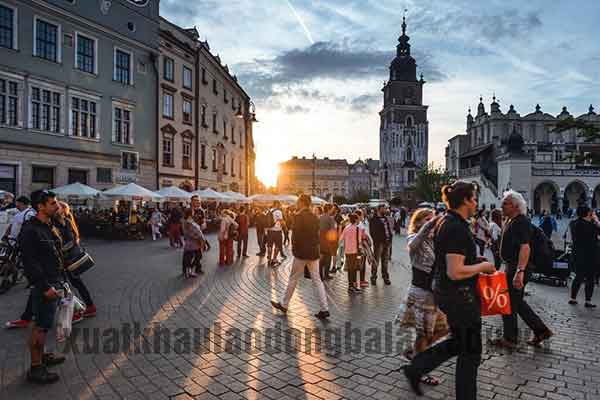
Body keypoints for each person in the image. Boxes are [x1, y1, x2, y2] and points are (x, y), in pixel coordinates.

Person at [403, 181, 496, 400]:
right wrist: (483, 266)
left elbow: (450, 260)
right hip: (460, 297)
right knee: (470, 353)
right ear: (465, 200)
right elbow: (455, 271)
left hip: (449, 294)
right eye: (473, 198)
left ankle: (416, 368)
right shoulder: (456, 227)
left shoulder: (447, 221)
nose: (476, 203)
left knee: (460, 343)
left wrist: (473, 260)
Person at [490, 190, 553, 349]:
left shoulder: (520, 222)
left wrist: (520, 272)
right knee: (516, 302)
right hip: (513, 266)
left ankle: (510, 339)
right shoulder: (512, 220)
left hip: (517, 267)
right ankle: (541, 331)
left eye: (505, 203)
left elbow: (525, 248)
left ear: (516, 206)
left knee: (509, 303)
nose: (502, 206)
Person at [398, 207, 449, 387]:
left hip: (435, 293)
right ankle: (420, 370)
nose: (432, 222)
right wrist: (429, 225)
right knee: (424, 334)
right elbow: (413, 245)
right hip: (422, 293)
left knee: (444, 329)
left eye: (432, 218)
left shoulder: (435, 240)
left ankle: (414, 352)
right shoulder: (413, 237)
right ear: (418, 222)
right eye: (427, 219)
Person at [19, 190, 66, 384]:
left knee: (45, 324)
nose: (58, 206)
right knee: (41, 326)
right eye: (53, 203)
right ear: (40, 206)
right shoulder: (30, 230)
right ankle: (36, 368)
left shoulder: (48, 225)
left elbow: (55, 251)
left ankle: (44, 355)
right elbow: (30, 263)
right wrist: (45, 286)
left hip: (54, 280)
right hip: (44, 284)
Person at [271, 195, 329, 320]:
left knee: (293, 278)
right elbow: (317, 234)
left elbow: (295, 235)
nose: (297, 204)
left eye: (298, 202)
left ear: (302, 203)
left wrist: (294, 249)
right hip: (313, 252)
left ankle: (284, 304)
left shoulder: (298, 216)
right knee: (317, 280)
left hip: (301, 253)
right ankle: (325, 309)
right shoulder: (315, 217)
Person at [54, 202, 96, 319]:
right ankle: (88, 306)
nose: (55, 208)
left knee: (70, 284)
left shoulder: (65, 223)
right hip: (66, 260)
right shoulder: (62, 222)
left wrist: (60, 250)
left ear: (63, 210)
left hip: (68, 260)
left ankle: (83, 308)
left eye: (58, 207)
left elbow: (70, 242)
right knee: (73, 284)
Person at [569, 205, 600, 308]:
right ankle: (588, 301)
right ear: (588, 214)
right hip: (590, 256)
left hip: (577, 255)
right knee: (590, 278)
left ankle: (573, 298)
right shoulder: (591, 226)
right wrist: (596, 220)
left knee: (578, 277)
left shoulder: (573, 224)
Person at [339, 213, 370, 293]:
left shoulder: (346, 228)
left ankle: (350, 286)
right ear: (356, 220)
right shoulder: (357, 229)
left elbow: (341, 238)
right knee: (355, 268)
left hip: (347, 251)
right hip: (355, 251)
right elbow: (359, 241)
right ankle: (353, 286)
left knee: (350, 269)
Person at [369, 204, 394, 285]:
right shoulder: (373, 220)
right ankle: (373, 277)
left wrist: (390, 237)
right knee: (376, 261)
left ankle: (385, 277)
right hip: (379, 243)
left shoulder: (385, 218)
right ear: (379, 210)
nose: (385, 210)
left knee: (385, 261)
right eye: (383, 209)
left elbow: (388, 229)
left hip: (387, 242)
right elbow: (372, 232)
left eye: (385, 209)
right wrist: (377, 241)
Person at [182, 208, 205, 277]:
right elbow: (192, 233)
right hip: (194, 243)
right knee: (198, 256)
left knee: (189, 257)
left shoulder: (186, 221)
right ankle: (190, 271)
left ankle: (188, 271)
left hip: (189, 243)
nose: (194, 213)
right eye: (193, 212)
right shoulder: (189, 222)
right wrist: (199, 238)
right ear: (190, 213)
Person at [319, 204, 336, 281]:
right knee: (328, 257)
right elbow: (332, 231)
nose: (333, 210)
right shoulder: (330, 218)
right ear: (329, 209)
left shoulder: (320, 217)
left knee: (321, 257)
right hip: (327, 239)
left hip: (320, 238)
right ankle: (326, 274)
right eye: (332, 209)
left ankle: (320, 275)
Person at [266, 201, 284, 267]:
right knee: (277, 245)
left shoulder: (269, 211)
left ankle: (269, 260)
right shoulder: (279, 212)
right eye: (279, 204)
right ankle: (274, 259)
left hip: (269, 231)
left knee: (269, 245)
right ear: (277, 204)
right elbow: (281, 221)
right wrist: (284, 225)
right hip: (277, 231)